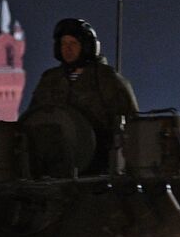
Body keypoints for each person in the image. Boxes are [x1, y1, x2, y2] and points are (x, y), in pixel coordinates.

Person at [24, 18, 138, 159]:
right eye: (64, 43)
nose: (68, 48)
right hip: (55, 161)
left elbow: (133, 124)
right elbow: (34, 116)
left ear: (87, 46)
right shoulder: (50, 79)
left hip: (100, 161)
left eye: (73, 43)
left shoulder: (106, 79)